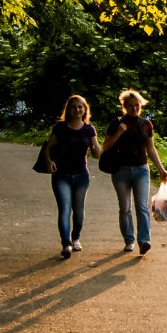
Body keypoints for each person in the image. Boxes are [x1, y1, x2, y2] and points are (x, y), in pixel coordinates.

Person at [103, 89, 167, 255]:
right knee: (125, 207)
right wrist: (119, 132)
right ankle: (129, 240)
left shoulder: (146, 124)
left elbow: (151, 148)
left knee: (142, 207)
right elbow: (106, 146)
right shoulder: (116, 123)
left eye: (137, 106)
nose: (134, 109)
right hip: (120, 170)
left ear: (140, 106)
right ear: (124, 106)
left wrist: (161, 169)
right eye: (131, 106)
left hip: (141, 169)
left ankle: (144, 240)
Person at [44, 95, 101, 259]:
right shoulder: (60, 127)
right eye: (74, 107)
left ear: (85, 109)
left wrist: (99, 149)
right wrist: (49, 161)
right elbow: (48, 147)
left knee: (79, 210)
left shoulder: (89, 129)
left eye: (80, 107)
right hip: (61, 175)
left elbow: (96, 152)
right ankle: (66, 243)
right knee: (64, 209)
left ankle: (76, 237)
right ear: (68, 109)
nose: (77, 110)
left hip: (81, 175)